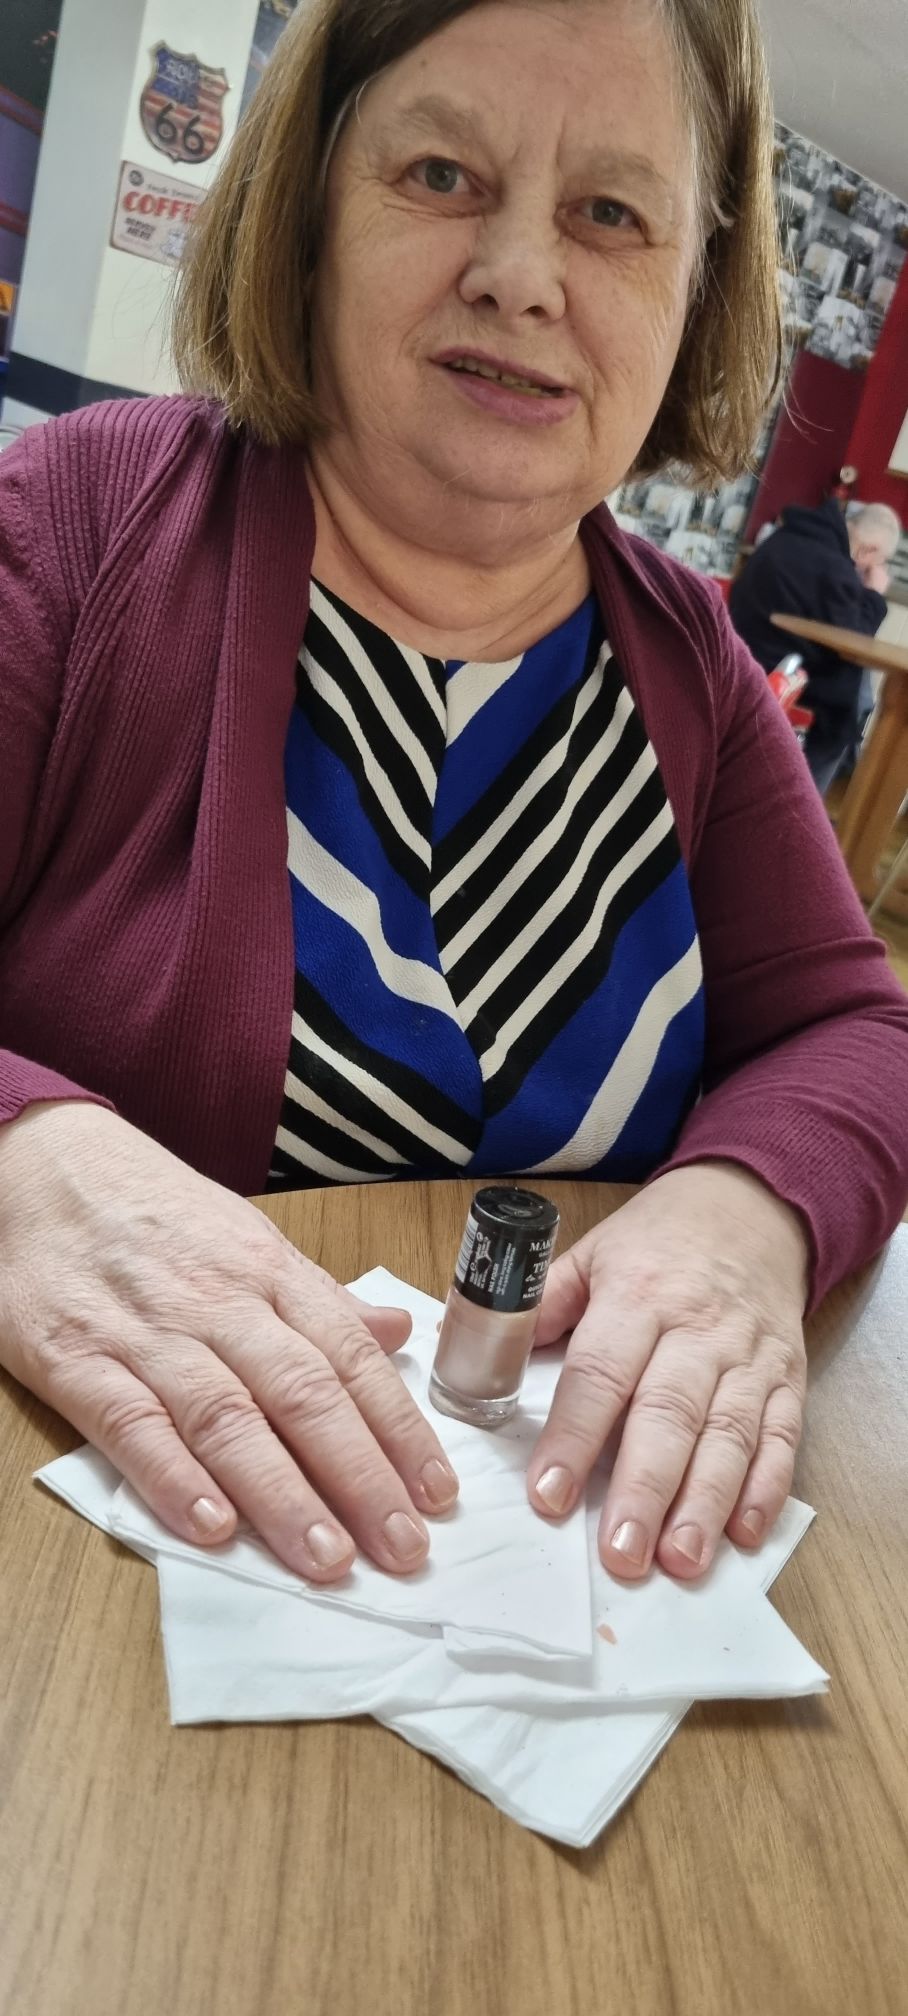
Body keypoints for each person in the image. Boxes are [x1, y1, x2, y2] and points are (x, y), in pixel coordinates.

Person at [2, 0, 907, 1596]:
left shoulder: (694, 669)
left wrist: (744, 1211)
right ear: (309, 208)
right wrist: (21, 1170)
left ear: (694, 292)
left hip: (560, 1604)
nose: (522, 274)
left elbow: (858, 1029)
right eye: (440, 175)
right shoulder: (73, 526)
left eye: (610, 213)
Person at [729, 498, 901, 792]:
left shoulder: (788, 537)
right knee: (847, 712)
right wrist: (873, 594)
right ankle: (800, 804)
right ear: (868, 551)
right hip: (779, 676)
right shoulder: (833, 567)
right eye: (876, 562)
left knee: (859, 690)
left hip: (744, 657)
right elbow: (856, 638)